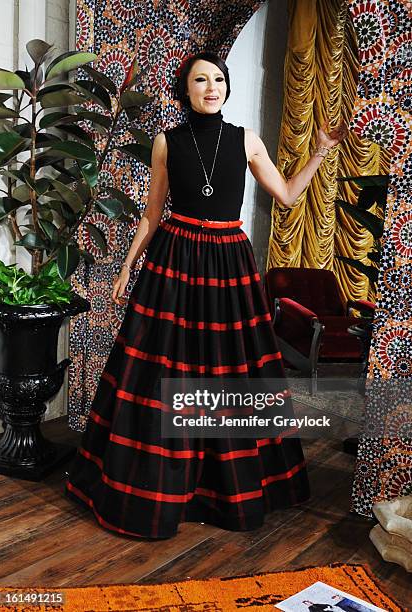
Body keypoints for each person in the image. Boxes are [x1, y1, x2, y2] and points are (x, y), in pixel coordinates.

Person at [65, 51, 348, 539]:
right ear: (186, 89)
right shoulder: (166, 142)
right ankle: (157, 481)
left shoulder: (246, 140)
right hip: (174, 258)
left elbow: (285, 195)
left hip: (228, 260)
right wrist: (128, 266)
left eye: (218, 79)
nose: (211, 87)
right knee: (162, 364)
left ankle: (225, 486)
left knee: (230, 366)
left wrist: (320, 152)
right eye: (201, 79)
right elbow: (153, 214)